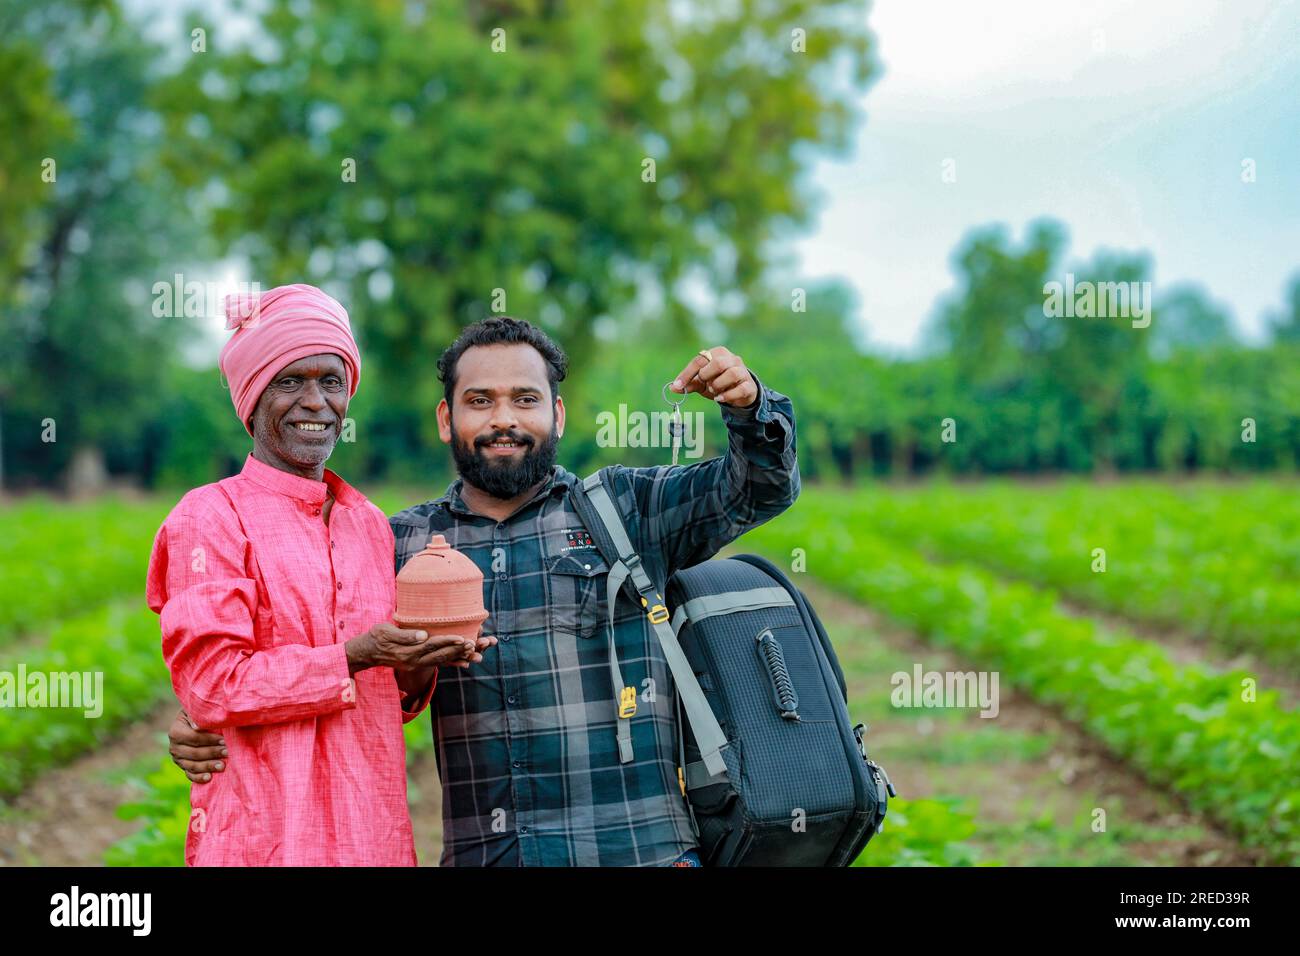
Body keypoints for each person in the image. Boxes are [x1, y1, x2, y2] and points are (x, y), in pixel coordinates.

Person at [169, 316, 798, 866]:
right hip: (486, 854)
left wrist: (749, 409)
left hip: (636, 850)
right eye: (480, 401)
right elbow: (336, 660)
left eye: (525, 399)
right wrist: (210, 725)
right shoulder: (396, 544)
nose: (503, 419)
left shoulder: (626, 510)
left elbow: (757, 489)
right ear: (448, 419)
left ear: (558, 413)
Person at [147, 283, 495, 865]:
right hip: (263, 838)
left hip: (372, 834)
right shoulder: (208, 517)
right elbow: (212, 686)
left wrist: (416, 665)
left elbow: (390, 701)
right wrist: (354, 654)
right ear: (252, 398)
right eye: (290, 382)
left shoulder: (368, 525)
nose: (316, 402)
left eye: (331, 382)